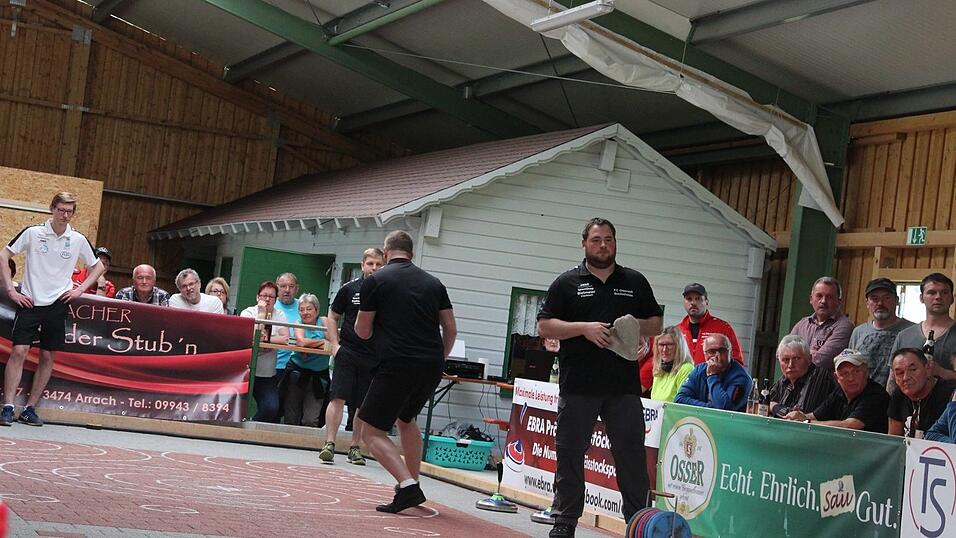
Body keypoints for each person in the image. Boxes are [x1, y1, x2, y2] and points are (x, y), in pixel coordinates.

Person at [537, 217, 662, 538]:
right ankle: (564, 521)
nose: (603, 245)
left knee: (632, 457)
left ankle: (639, 524)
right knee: (570, 454)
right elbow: (545, 326)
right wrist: (584, 328)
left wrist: (631, 327)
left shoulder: (634, 281)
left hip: (623, 386)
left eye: (608, 239)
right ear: (584, 244)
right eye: (596, 240)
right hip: (579, 384)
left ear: (615, 243)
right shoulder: (566, 283)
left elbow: (656, 323)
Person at [354, 230, 457, 514]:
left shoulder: (376, 280)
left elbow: (362, 331)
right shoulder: (434, 283)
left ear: (386, 253)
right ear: (410, 252)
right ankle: (412, 482)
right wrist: (440, 356)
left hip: (397, 362)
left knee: (370, 431)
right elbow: (450, 328)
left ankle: (408, 486)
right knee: (406, 419)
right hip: (431, 363)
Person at [0, 192, 105, 427]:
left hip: (58, 304)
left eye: (69, 211)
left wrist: (79, 290)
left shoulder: (77, 238)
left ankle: (30, 408)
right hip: (29, 300)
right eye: (61, 210)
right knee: (19, 351)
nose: (64, 215)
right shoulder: (33, 232)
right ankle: (7, 406)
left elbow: (97, 268)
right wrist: (10, 289)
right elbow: (4, 254)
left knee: (48, 356)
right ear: (52, 208)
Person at [320, 247, 385, 466]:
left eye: (378, 264)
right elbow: (332, 316)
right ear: (362, 264)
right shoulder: (349, 289)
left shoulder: (387, 292)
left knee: (362, 404)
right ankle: (329, 443)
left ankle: (355, 447)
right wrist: (335, 345)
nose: (374, 268)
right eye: (370, 264)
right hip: (347, 351)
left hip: (372, 355)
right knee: (337, 396)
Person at [785, 349, 889, 433]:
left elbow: (850, 426)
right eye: (844, 373)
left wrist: (806, 421)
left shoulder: (875, 394)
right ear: (837, 377)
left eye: (856, 371)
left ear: (866, 372)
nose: (851, 378)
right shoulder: (839, 392)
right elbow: (815, 416)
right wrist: (798, 416)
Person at [890, 273, 956, 392]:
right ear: (921, 298)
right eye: (931, 292)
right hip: (908, 407)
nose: (938, 297)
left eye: (944, 292)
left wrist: (942, 372)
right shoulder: (905, 336)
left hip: (950, 407)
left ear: (952, 298)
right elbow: (892, 379)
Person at [848, 278, 914, 387]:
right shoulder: (858, 332)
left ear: (897, 301)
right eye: (874, 299)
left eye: (886, 298)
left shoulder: (911, 331)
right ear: (867, 303)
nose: (880, 303)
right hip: (863, 399)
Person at [284, 293, 337, 428]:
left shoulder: (324, 321)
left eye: (309, 309)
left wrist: (310, 345)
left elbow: (334, 342)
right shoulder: (298, 323)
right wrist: (322, 342)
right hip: (297, 373)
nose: (305, 313)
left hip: (319, 377)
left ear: (317, 310)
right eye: (301, 309)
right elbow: (301, 342)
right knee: (291, 416)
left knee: (310, 419)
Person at [240, 281, 289, 423]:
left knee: (271, 407)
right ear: (257, 297)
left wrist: (265, 341)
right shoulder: (248, 312)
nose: (267, 299)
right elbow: (251, 336)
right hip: (246, 371)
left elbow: (285, 338)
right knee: (239, 405)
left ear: (276, 299)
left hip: (266, 374)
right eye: (264, 296)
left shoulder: (279, 314)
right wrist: (261, 314)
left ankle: (252, 428)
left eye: (271, 297)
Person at [887, 348, 956, 438]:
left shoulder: (950, 394)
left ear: (927, 369)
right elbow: (893, 440)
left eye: (913, 369)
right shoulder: (899, 394)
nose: (905, 378)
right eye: (899, 373)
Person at [789, 276, 854, 371]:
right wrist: (811, 353)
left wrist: (797, 354)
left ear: (839, 302)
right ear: (811, 299)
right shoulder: (802, 324)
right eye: (819, 296)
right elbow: (781, 354)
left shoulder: (844, 326)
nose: (823, 301)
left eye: (829, 297)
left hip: (824, 384)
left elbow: (821, 360)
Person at [674, 334, 751, 411]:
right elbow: (679, 399)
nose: (717, 355)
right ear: (705, 354)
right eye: (712, 351)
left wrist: (712, 375)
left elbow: (724, 409)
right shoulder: (699, 370)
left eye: (722, 350)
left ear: (730, 353)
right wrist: (709, 408)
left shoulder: (741, 377)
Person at [767, 335, 836, 418]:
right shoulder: (784, 379)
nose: (790, 365)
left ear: (809, 359)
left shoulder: (820, 377)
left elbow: (798, 416)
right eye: (785, 359)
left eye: (796, 358)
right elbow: (763, 404)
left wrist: (775, 407)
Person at [676, 283, 744, 365]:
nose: (693, 303)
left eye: (698, 299)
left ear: (706, 301)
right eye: (689, 299)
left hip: (713, 377)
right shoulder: (677, 331)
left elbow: (737, 361)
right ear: (684, 302)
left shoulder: (722, 328)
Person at [649, 326, 694, 402]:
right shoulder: (659, 368)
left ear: (679, 346)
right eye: (661, 345)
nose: (664, 349)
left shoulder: (686, 368)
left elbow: (683, 403)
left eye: (669, 344)